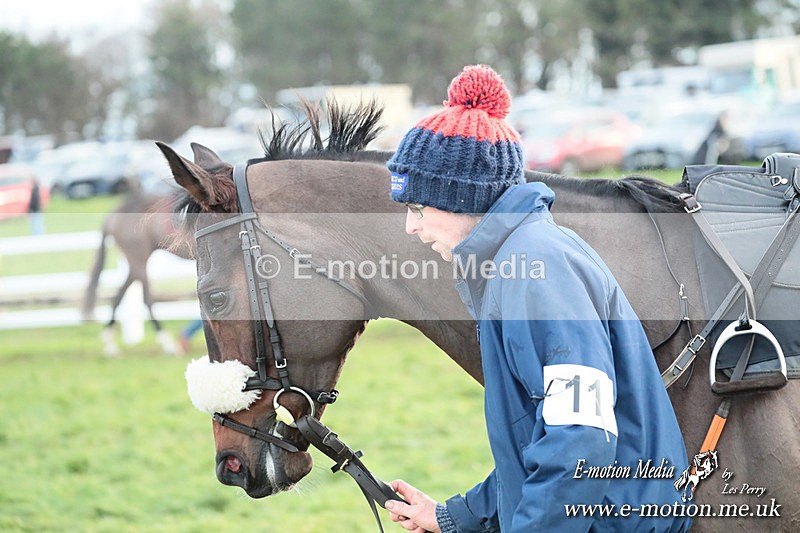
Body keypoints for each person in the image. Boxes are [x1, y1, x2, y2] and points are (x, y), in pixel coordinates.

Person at [384, 65, 691, 532]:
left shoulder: (536, 271)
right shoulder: (515, 263)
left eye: (418, 208)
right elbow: (538, 437)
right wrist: (457, 517)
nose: (412, 227)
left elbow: (580, 441)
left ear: (465, 198)